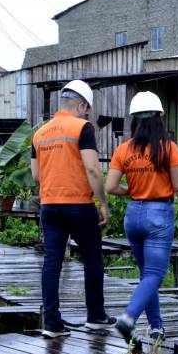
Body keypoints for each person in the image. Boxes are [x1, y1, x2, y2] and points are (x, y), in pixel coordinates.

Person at [105, 91, 178, 345]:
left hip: (133, 215)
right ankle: (128, 317)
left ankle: (156, 326)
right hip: (159, 215)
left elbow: (110, 187)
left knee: (146, 274)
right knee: (154, 275)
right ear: (160, 117)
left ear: (134, 120)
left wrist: (133, 191)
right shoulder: (168, 148)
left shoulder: (123, 150)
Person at [31, 80, 116, 338]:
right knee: (92, 259)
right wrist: (103, 202)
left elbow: (36, 175)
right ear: (81, 106)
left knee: (52, 263)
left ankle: (53, 323)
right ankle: (95, 316)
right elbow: (92, 169)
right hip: (79, 205)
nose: (87, 114)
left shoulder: (40, 133)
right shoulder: (83, 128)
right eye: (87, 110)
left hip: (50, 206)